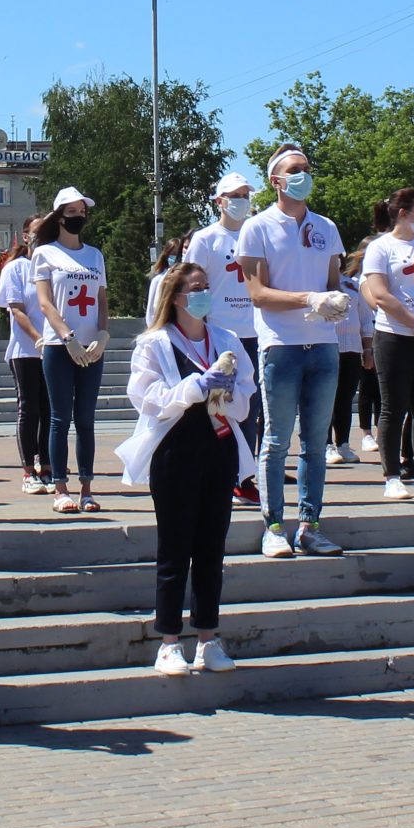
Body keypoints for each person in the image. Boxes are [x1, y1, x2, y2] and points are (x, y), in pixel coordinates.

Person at [117, 262, 256, 676]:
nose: (203, 294)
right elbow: (146, 396)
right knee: (175, 548)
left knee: (212, 548)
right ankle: (168, 642)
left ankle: (208, 638)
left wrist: (226, 391)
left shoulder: (226, 339)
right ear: (176, 297)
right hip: (175, 450)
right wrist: (195, 387)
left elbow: (246, 393)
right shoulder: (154, 343)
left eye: (206, 287)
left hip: (219, 446)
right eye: (195, 288)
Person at [240, 148, 352, 557]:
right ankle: (273, 525)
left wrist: (337, 301)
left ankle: (310, 524)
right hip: (281, 346)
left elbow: (332, 282)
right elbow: (258, 293)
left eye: (306, 169)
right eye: (295, 170)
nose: (303, 175)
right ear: (276, 181)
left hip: (323, 344)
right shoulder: (257, 227)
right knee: (276, 439)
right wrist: (310, 299)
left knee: (316, 441)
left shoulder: (325, 226)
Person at [184, 173, 265, 502]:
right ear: (219, 201)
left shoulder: (256, 234)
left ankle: (244, 478)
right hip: (220, 335)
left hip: (256, 333)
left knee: (250, 408)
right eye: (234, 195)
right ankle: (214, 473)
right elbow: (189, 285)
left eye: (245, 194)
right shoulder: (206, 239)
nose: (241, 200)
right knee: (217, 409)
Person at [30, 187, 111, 515]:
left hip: (92, 348)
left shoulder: (95, 256)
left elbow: (102, 300)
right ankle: (60, 487)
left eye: (83, 212)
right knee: (60, 418)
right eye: (73, 212)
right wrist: (68, 338)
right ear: (59, 216)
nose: (79, 217)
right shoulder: (45, 254)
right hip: (59, 346)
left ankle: (87, 489)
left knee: (86, 419)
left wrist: (103, 334)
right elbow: (45, 302)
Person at [360, 188, 414, 500]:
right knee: (394, 407)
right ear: (404, 213)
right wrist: (413, 321)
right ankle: (392, 476)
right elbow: (379, 294)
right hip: (393, 335)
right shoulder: (381, 248)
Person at [0, 215, 53, 493]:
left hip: (53, 350)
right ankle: (29, 471)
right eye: (35, 231)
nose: (40, 236)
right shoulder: (16, 268)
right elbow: (16, 309)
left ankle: (49, 467)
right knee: (29, 409)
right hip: (26, 351)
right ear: (25, 235)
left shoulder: (55, 265)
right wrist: (38, 339)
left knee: (50, 409)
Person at [327, 250, 374, 466]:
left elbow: (365, 319)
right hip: (327, 348)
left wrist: (367, 349)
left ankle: (343, 443)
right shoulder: (318, 284)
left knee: (345, 399)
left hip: (352, 350)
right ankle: (326, 444)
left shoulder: (352, 285)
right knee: (326, 399)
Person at [142, 237, 188, 333]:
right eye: (172, 254)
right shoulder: (158, 279)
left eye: (178, 254)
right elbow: (150, 310)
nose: (176, 257)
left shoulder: (186, 278)